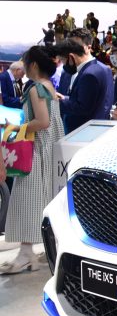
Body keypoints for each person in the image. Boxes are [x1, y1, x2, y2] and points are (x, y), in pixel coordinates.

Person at [0, 46, 65, 274]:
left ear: (33, 65)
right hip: (48, 150)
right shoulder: (50, 87)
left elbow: (43, 122)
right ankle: (30, 252)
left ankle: (26, 253)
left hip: (36, 151)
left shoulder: (35, 89)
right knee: (40, 199)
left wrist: (16, 128)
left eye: (25, 61)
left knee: (25, 199)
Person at [56, 37, 114, 133]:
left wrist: (57, 102)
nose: (64, 65)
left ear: (71, 57)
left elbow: (83, 107)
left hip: (86, 132)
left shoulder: (88, 74)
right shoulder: (98, 68)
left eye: (63, 60)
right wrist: (65, 98)